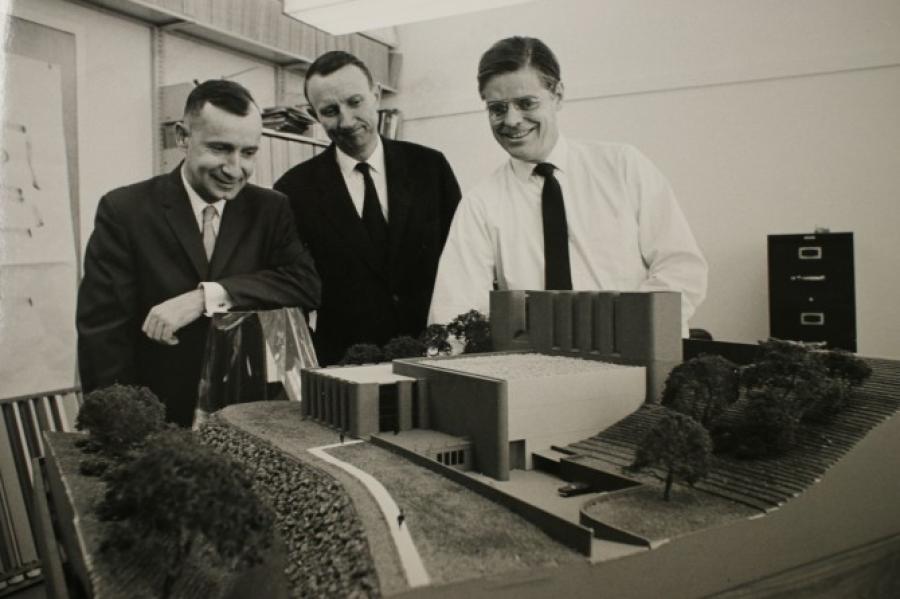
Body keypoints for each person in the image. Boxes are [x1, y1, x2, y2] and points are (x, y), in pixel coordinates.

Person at [77, 79, 321, 427]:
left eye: (248, 152)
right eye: (220, 148)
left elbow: (304, 284)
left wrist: (205, 297)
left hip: (249, 417)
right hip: (159, 418)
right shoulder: (125, 210)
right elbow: (102, 339)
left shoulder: (270, 209)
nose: (235, 168)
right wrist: (123, 427)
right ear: (182, 137)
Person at [428, 37, 707, 336]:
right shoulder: (479, 204)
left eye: (526, 103)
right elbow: (454, 311)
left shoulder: (623, 166)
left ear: (558, 95)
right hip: (536, 370)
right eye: (497, 108)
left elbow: (681, 268)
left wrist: (620, 331)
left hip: (638, 353)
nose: (512, 120)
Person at [275, 51, 461, 366]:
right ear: (313, 114)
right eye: (330, 111)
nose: (346, 121)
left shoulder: (430, 167)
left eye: (355, 102)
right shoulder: (293, 190)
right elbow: (294, 293)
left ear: (375, 95)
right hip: (345, 365)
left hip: (435, 358)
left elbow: (461, 262)